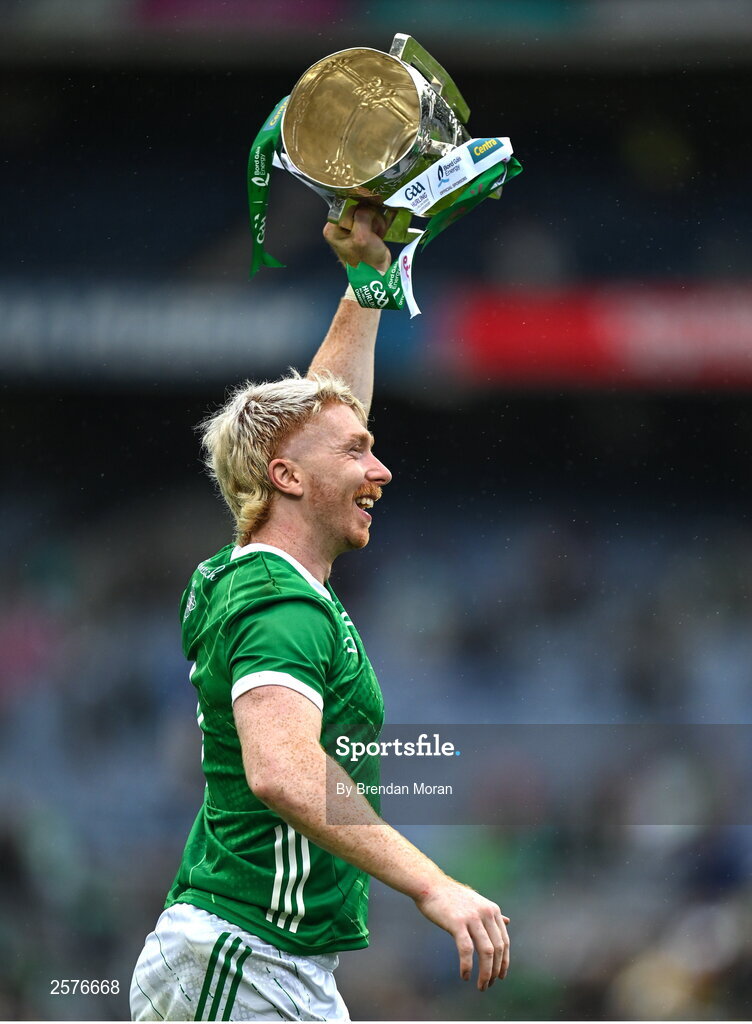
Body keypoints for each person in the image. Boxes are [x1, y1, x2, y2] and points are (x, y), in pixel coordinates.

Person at [130, 207, 510, 1022]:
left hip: (262, 960)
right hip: (241, 953)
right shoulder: (278, 604)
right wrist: (432, 883)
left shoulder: (262, 575)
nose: (381, 468)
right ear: (289, 481)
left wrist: (366, 285)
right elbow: (281, 768)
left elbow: (320, 414)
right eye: (357, 453)